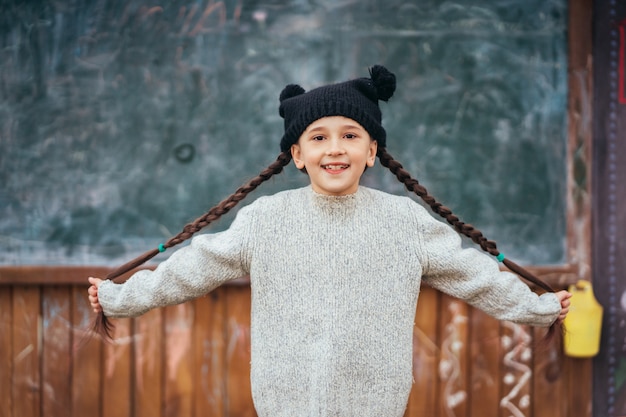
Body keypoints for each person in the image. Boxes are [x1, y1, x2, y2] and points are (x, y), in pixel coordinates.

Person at [87, 65, 571, 417]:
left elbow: (477, 277)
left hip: (377, 402)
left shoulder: (404, 221)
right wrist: (119, 298)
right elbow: (191, 269)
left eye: (350, 135)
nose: (335, 148)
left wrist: (539, 308)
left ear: (372, 150)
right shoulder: (266, 219)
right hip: (283, 402)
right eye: (318, 138)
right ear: (297, 154)